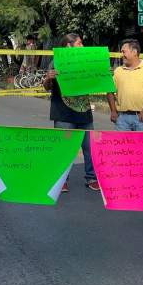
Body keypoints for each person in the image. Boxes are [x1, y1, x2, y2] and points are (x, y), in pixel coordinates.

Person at [43, 33, 100, 192]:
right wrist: (49, 77)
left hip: (84, 111)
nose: (82, 46)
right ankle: (62, 180)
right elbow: (46, 87)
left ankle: (92, 178)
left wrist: (102, 74)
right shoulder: (56, 62)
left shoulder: (87, 61)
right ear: (69, 45)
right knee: (63, 148)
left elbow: (96, 82)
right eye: (80, 43)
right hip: (63, 113)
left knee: (90, 147)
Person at [106, 39, 143, 131]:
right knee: (122, 145)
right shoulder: (118, 71)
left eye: (124, 52)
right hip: (121, 118)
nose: (122, 55)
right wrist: (113, 111)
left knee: (142, 145)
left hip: (142, 117)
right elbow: (110, 91)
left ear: (134, 52)